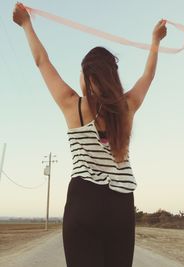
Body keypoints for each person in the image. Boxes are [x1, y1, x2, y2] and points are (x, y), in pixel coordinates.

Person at [13, 3, 167, 267]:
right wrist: (155, 41)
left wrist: (27, 24)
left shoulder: (73, 104)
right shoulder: (127, 107)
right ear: (112, 77)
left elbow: (42, 62)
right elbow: (148, 76)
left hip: (84, 201)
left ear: (86, 76)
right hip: (120, 204)